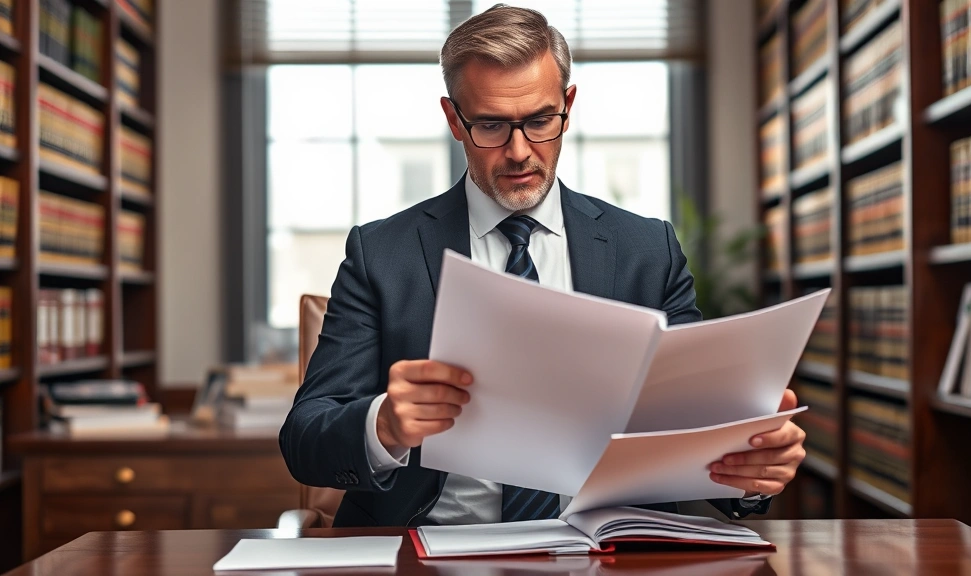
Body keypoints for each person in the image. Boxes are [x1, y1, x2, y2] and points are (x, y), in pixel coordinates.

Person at [279, 3, 806, 527]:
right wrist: (386, 425)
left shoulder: (648, 250)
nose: (518, 151)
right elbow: (306, 437)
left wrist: (750, 465)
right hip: (429, 546)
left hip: (607, 550)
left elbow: (699, 426)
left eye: (539, 121)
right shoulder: (382, 254)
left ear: (568, 106)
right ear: (453, 120)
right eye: (490, 125)